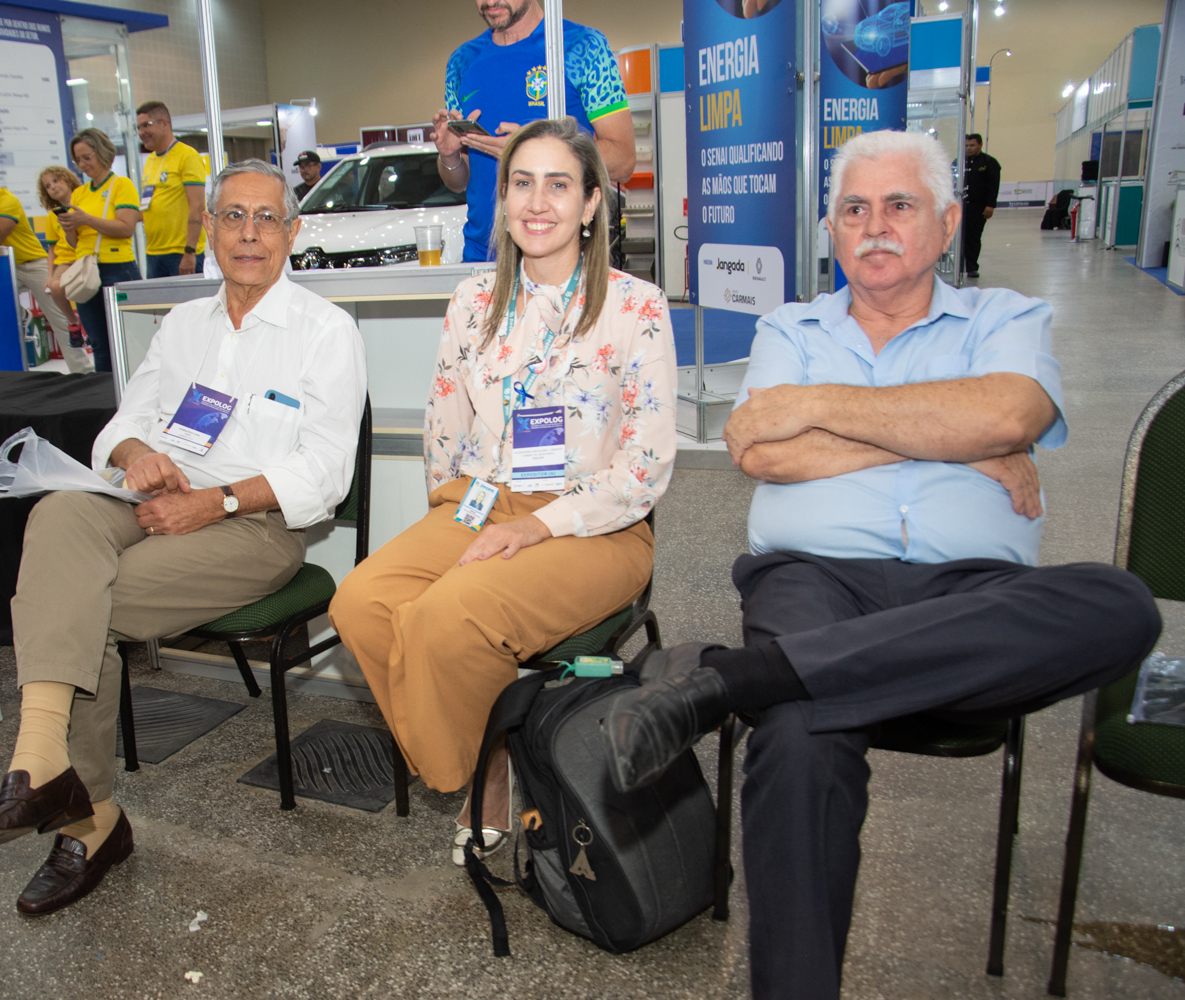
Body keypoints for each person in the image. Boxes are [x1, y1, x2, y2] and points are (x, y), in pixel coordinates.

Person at [602, 129, 1162, 1000]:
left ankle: (732, 679)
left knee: (1121, 605)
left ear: (947, 223)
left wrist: (822, 407)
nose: (875, 227)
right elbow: (760, 448)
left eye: (900, 205)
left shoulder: (1006, 318)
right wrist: (950, 438)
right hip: (814, 576)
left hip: (974, 594)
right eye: (855, 210)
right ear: (831, 230)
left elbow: (1009, 413)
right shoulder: (791, 326)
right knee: (798, 741)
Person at [0, 159, 367, 915]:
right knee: (59, 514)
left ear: (293, 232)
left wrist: (216, 501)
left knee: (81, 606)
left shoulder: (326, 331)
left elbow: (325, 473)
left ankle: (86, 818)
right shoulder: (181, 325)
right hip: (153, 497)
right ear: (209, 228)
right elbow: (121, 424)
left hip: (254, 525)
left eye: (267, 218)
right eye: (233, 215)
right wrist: (136, 452)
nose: (249, 233)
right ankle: (40, 763)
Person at [330, 119, 676, 865]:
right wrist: (452, 510)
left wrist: (540, 525)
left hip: (598, 523)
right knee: (360, 601)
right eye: (522, 183)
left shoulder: (635, 306)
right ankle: (487, 754)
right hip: (484, 502)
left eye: (559, 184)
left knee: (448, 614)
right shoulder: (473, 299)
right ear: (504, 197)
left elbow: (644, 468)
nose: (537, 202)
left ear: (591, 203)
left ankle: (482, 780)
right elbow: (443, 425)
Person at [433, 0, 636, 262]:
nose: (491, 2)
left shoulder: (583, 47)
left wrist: (530, 151)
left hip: (562, 259)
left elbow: (623, 160)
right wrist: (449, 156)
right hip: (483, 257)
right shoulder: (463, 62)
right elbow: (459, 182)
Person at [0, 155, 91, 372]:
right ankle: (22, 315)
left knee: (59, 319)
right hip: (0, 265)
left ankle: (83, 372)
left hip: (32, 262)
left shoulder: (7, 200)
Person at [58, 128, 142, 374]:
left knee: (128, 341)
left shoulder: (121, 185)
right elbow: (74, 242)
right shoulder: (79, 193)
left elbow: (126, 228)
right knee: (99, 343)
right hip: (85, 270)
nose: (83, 165)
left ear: (102, 152)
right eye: (78, 160)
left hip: (117, 269)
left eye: (87, 157)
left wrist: (86, 219)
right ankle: (106, 392)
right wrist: (69, 225)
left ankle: (133, 390)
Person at [136, 101, 209, 277]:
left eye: (146, 125)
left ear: (164, 123)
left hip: (181, 252)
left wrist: (190, 251)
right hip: (154, 252)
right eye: (138, 127)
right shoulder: (150, 160)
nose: (141, 132)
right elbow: (150, 204)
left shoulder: (187, 156)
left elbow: (198, 206)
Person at [35, 165, 95, 374]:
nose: (52, 187)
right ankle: (73, 322)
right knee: (54, 287)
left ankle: (90, 326)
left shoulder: (83, 205)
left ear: (68, 180)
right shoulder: (52, 216)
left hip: (84, 257)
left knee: (86, 288)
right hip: (65, 261)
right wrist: (50, 274)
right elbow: (52, 248)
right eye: (47, 186)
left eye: (56, 181)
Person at [963, 133, 1001, 279]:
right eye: (966, 145)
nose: (969, 148)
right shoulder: (959, 162)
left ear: (980, 145)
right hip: (961, 206)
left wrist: (990, 205)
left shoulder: (989, 163)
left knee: (973, 237)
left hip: (978, 207)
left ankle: (972, 267)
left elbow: (993, 186)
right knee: (959, 238)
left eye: (972, 145)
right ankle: (958, 267)